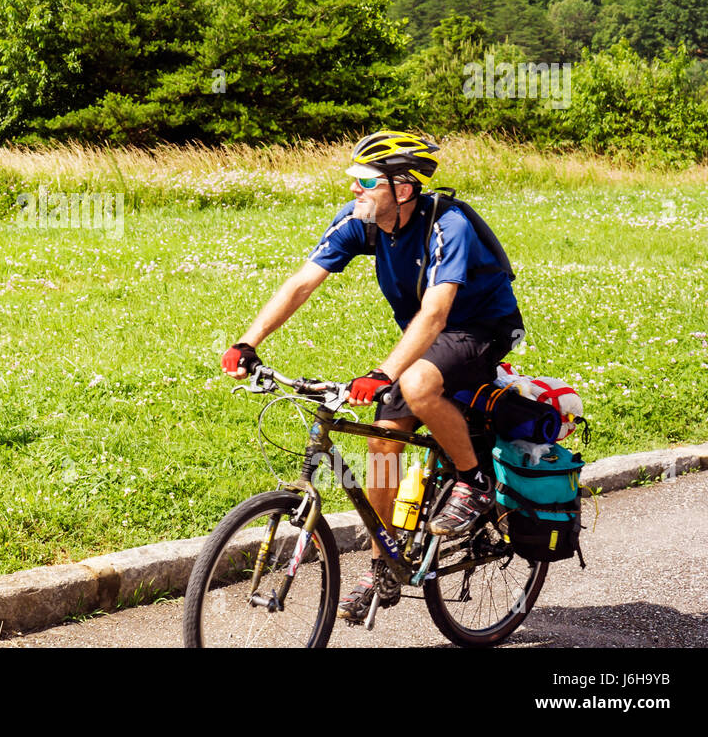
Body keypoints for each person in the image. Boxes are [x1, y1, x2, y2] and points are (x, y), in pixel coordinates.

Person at [220, 131, 524, 625]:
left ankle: (473, 483)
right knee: (383, 442)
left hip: (480, 329)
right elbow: (302, 282)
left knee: (417, 385)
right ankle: (384, 560)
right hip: (428, 336)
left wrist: (384, 371)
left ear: (402, 189)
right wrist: (247, 342)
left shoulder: (449, 223)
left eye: (365, 181)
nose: (355, 190)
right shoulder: (360, 221)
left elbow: (436, 313)